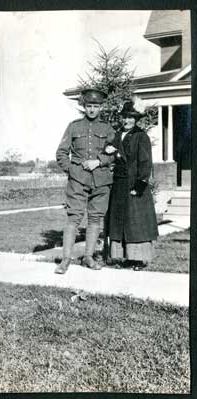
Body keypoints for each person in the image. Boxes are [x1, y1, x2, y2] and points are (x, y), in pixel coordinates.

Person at [54, 88, 115, 274]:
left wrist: (99, 161)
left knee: (95, 218)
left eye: (95, 106)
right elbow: (61, 153)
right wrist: (73, 170)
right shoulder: (74, 127)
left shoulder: (108, 129)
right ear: (84, 106)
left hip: (101, 181)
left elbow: (115, 155)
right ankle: (65, 260)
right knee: (74, 218)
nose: (92, 110)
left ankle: (88, 257)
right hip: (78, 181)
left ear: (101, 107)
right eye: (89, 106)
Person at [105, 99, 158, 270]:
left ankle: (139, 260)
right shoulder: (118, 134)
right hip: (119, 184)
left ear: (136, 119)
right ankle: (125, 258)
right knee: (120, 221)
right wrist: (107, 149)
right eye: (124, 117)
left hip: (134, 184)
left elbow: (145, 162)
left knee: (136, 222)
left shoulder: (141, 136)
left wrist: (140, 185)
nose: (127, 121)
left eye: (130, 118)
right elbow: (110, 150)